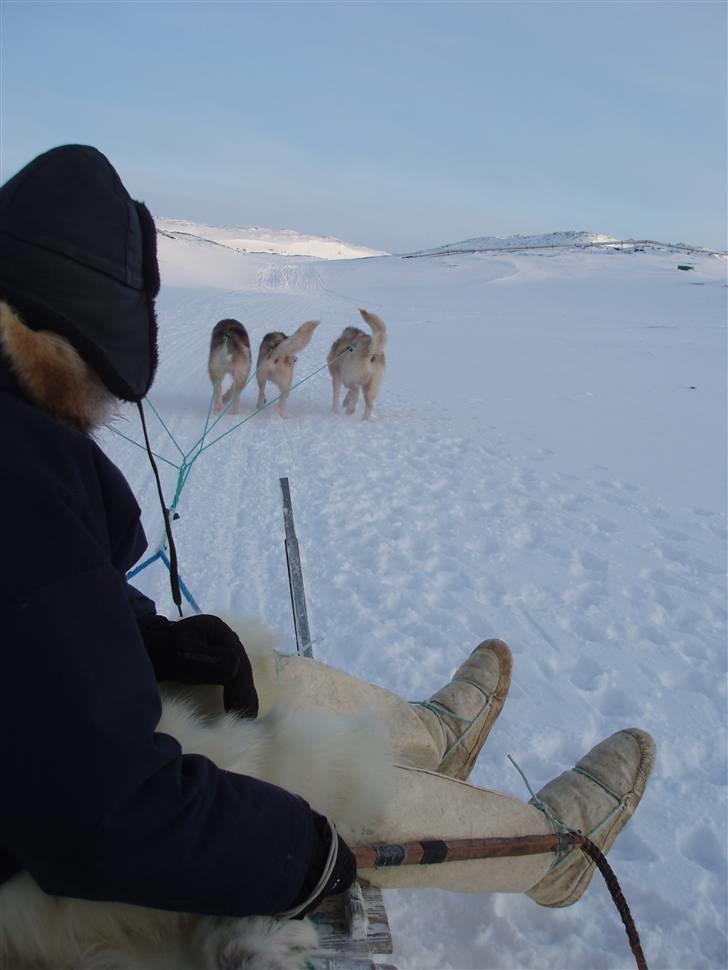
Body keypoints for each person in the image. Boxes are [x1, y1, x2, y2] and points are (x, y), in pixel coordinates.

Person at [0, 146, 655, 970]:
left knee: (244, 663)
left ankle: (427, 737)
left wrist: (144, 636)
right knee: (302, 770)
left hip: (37, 797)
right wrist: (296, 850)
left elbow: (34, 628)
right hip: (34, 891)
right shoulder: (14, 478)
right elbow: (100, 810)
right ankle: (550, 853)